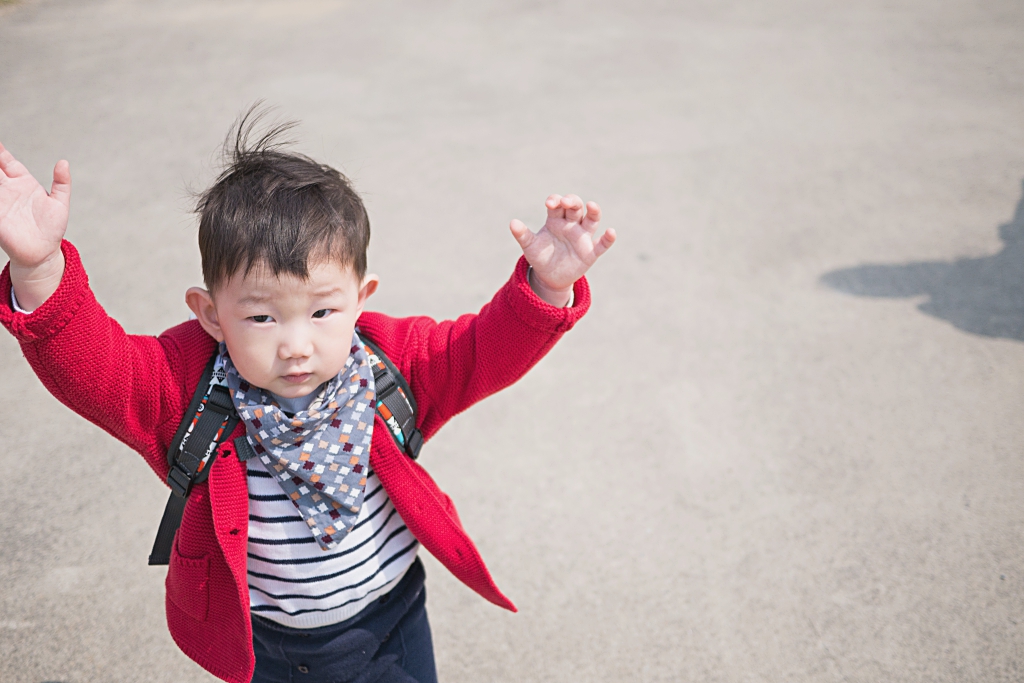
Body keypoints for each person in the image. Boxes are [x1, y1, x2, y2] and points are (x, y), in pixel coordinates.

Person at [0, 113, 615, 683]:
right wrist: (40, 268)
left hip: (391, 621)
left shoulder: (388, 366)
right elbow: (96, 369)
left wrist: (547, 285)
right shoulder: (187, 390)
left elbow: (482, 351)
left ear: (361, 298)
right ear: (211, 314)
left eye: (323, 312)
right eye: (261, 318)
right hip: (264, 644)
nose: (297, 346)